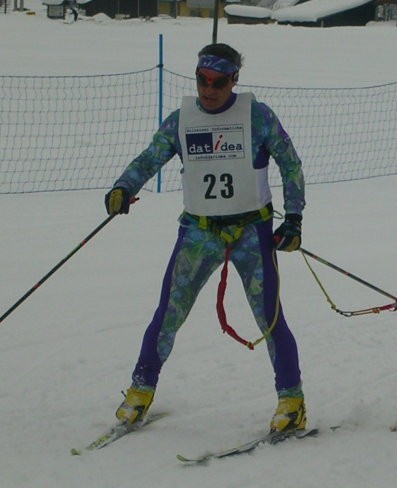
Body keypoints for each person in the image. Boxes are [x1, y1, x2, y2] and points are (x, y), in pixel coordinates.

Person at [104, 43, 307, 434]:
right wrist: (122, 187)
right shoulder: (182, 119)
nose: (209, 89)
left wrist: (294, 218)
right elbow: (150, 158)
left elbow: (290, 162)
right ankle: (140, 390)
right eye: (202, 80)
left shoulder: (257, 116)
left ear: (234, 80)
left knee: (270, 317)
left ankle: (292, 399)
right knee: (168, 313)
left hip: (251, 230)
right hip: (200, 232)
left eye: (218, 81)